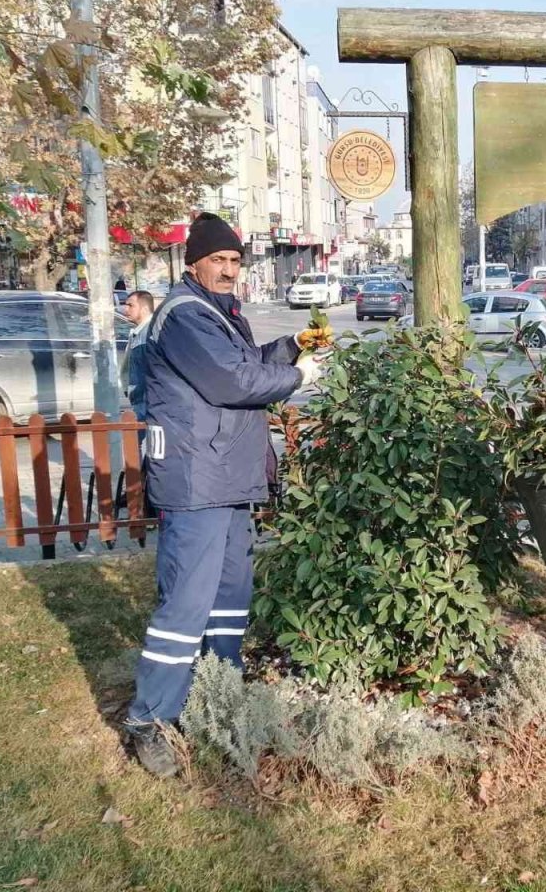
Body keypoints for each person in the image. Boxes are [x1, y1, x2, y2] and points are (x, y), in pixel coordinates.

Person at [124, 212, 326, 776]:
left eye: (236, 261)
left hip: (228, 476)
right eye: (219, 260)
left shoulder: (217, 312)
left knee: (231, 591)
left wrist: (288, 347)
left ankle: (218, 686)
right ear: (194, 263)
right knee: (186, 602)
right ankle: (149, 717)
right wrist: (301, 377)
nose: (229, 270)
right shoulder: (186, 315)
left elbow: (244, 365)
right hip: (196, 480)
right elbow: (230, 382)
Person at [121, 290, 155, 421]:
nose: (126, 309)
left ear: (145, 309)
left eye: (131, 305)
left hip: (146, 401)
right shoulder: (138, 332)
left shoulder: (149, 332)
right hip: (140, 400)